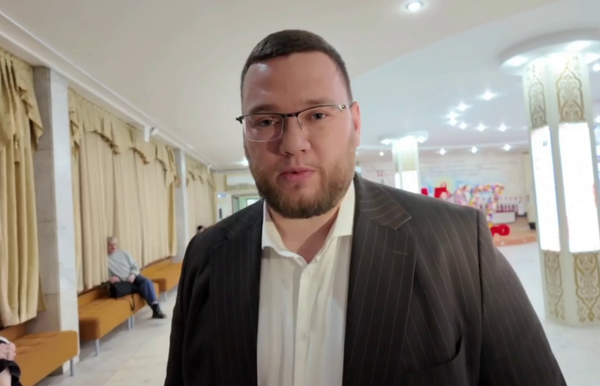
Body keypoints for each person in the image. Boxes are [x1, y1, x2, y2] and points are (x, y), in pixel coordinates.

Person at [164, 30, 565, 386]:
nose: (292, 143)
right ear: (245, 133)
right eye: (266, 121)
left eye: (317, 114)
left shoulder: (457, 243)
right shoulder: (206, 256)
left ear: (355, 124)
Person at [107, 237, 166, 319]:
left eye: (115, 244)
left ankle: (156, 309)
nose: (113, 247)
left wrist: (133, 274)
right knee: (141, 287)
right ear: (106, 246)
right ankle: (140, 290)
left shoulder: (124, 253)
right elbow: (104, 276)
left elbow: (135, 266)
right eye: (110, 245)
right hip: (122, 282)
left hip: (133, 276)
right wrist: (109, 278)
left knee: (147, 282)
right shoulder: (105, 259)